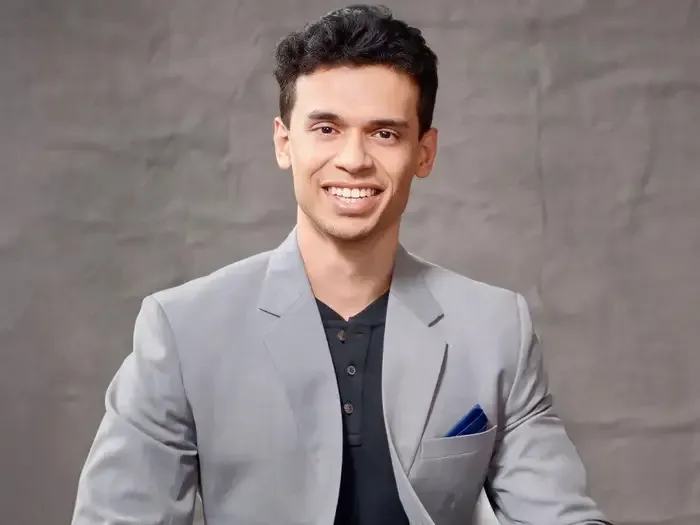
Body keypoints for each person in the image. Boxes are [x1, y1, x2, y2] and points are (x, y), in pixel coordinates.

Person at [72, 5, 613, 525]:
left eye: (384, 133)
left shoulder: (495, 330)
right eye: (326, 128)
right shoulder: (183, 330)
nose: (353, 159)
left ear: (424, 153)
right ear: (284, 143)